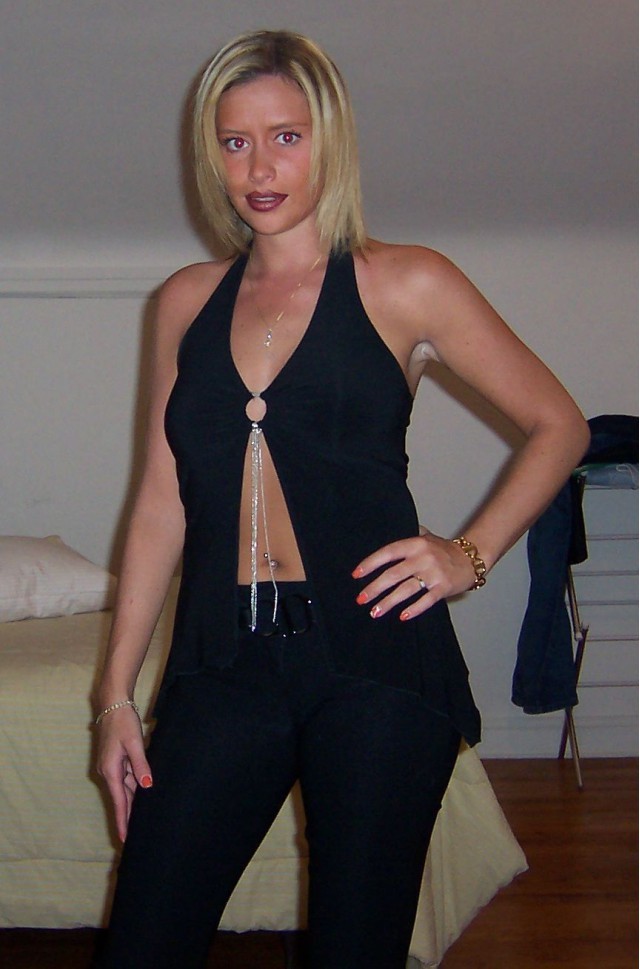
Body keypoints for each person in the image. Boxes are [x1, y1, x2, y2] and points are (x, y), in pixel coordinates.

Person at [93, 29, 589, 969]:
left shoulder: (408, 282)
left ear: (331, 139)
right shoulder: (186, 300)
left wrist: (467, 554)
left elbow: (557, 424)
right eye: (235, 142)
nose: (259, 168)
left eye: (286, 136)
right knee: (145, 943)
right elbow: (161, 501)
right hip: (223, 660)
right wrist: (115, 695)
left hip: (377, 660)